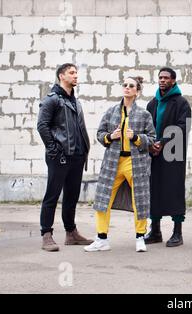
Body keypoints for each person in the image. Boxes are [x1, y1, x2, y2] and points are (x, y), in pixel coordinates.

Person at [84, 77, 156, 252]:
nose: (127, 88)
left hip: (135, 162)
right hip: (113, 162)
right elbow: (100, 133)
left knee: (140, 199)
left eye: (131, 86)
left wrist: (137, 138)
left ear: (137, 91)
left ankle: (140, 237)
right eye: (125, 85)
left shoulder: (144, 114)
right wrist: (110, 137)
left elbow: (152, 139)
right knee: (102, 198)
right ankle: (101, 238)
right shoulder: (111, 112)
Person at [37, 63, 92, 252]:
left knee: (72, 196)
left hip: (77, 156)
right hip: (59, 157)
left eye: (76, 73)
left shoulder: (75, 102)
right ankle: (47, 235)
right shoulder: (51, 100)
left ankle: (71, 233)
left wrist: (84, 150)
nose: (76, 76)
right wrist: (54, 150)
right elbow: (42, 126)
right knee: (52, 196)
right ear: (62, 76)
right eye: (72, 73)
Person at [144, 67, 192, 248]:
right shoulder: (152, 104)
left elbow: (182, 127)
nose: (162, 80)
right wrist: (150, 144)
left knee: (174, 191)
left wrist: (162, 142)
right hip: (154, 154)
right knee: (154, 191)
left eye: (166, 78)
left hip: (173, 155)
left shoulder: (182, 103)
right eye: (160, 77)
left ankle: (177, 232)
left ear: (173, 81)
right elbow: (146, 127)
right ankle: (155, 231)